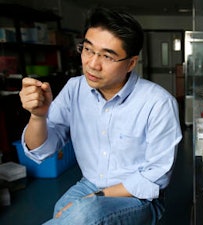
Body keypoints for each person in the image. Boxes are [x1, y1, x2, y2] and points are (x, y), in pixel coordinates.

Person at [18, 6, 182, 225]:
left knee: (84, 215)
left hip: (138, 196)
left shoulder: (158, 103)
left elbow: (157, 175)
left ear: (131, 63)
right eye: (88, 49)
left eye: (107, 56)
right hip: (90, 183)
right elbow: (43, 151)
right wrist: (38, 116)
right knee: (62, 210)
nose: (92, 64)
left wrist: (95, 198)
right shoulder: (74, 89)